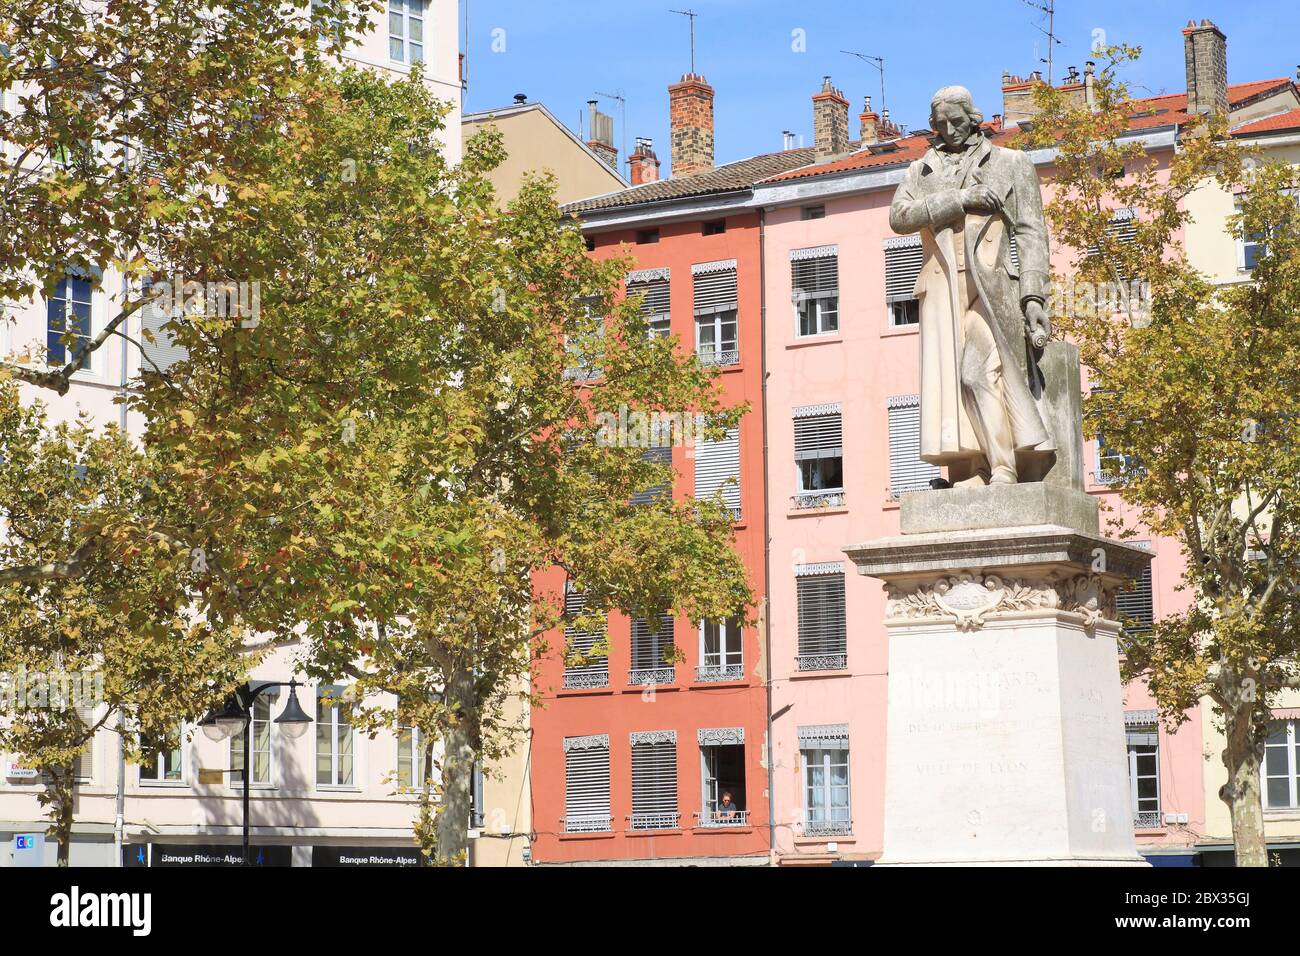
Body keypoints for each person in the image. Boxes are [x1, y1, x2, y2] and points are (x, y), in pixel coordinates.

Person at [889, 85, 1056, 486]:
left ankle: (1003, 467)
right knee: (949, 384)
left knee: (975, 372)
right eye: (941, 124)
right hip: (943, 287)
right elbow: (899, 216)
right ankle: (972, 469)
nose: (949, 130)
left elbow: (1031, 233)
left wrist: (1034, 298)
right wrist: (960, 199)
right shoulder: (922, 170)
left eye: (957, 121)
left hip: (992, 287)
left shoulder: (1011, 163)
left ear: (973, 117)